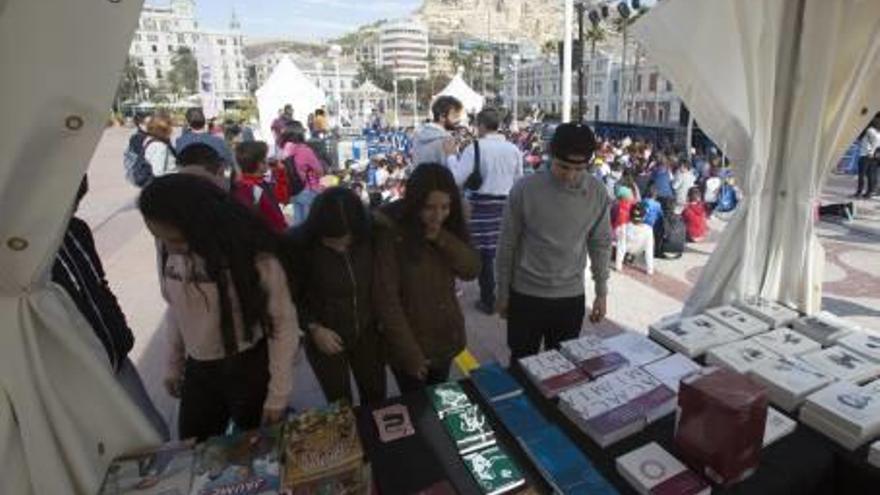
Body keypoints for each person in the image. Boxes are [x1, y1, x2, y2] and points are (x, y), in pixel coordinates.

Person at [139, 174, 299, 441]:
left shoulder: (255, 259)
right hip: (199, 368)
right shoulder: (169, 251)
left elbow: (282, 323)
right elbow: (177, 309)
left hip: (248, 367)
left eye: (177, 241)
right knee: (194, 446)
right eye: (159, 238)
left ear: (203, 227)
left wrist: (278, 394)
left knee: (259, 447)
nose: (169, 248)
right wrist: (173, 363)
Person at [52, 176, 169, 440]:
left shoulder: (77, 230)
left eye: (77, 202)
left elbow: (98, 283)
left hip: (114, 352)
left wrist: (120, 330)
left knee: (153, 432)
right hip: (79, 370)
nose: (72, 209)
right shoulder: (30, 253)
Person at [496, 123, 612, 360]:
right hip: (526, 295)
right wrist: (502, 290)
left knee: (562, 368)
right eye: (563, 166)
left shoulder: (597, 192)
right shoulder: (525, 189)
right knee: (521, 362)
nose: (570, 175)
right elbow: (507, 244)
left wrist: (601, 292)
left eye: (579, 168)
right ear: (551, 156)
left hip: (570, 299)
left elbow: (600, 243)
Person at [374, 164, 480, 392]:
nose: (438, 215)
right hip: (411, 344)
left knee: (439, 398)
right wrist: (410, 353)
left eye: (445, 207)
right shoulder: (390, 233)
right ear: (414, 203)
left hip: (445, 338)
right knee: (417, 410)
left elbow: (471, 270)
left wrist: (441, 238)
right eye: (429, 207)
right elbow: (386, 300)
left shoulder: (449, 226)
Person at [288, 188, 386, 404]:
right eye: (330, 241)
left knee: (376, 394)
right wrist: (312, 327)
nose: (340, 247)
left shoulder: (370, 232)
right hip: (324, 337)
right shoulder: (297, 245)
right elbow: (289, 296)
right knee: (339, 402)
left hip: (367, 332)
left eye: (346, 241)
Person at [444, 107, 524, 314]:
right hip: (506, 206)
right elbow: (519, 181)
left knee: (486, 256)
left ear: (480, 125)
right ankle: (508, 297)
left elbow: (456, 179)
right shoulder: (514, 149)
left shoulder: (475, 148)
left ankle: (488, 301)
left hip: (481, 207)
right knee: (505, 252)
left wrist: (451, 156)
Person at [233, 141, 287, 232]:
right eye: (265, 157)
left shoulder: (245, 183)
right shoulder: (254, 188)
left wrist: (280, 173)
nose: (268, 159)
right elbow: (275, 215)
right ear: (259, 163)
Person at [280, 126, 324, 225]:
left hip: (293, 190)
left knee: (298, 222)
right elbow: (319, 170)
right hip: (308, 189)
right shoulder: (305, 150)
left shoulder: (285, 150)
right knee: (310, 224)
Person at [412, 96, 464, 167]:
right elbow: (454, 170)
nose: (458, 121)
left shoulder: (418, 135)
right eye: (455, 116)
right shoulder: (447, 141)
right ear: (442, 117)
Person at [615, 202, 655, 275]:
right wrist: (650, 270)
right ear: (644, 217)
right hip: (639, 250)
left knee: (619, 241)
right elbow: (649, 250)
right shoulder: (649, 229)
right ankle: (630, 257)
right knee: (649, 245)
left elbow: (621, 247)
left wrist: (618, 266)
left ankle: (626, 258)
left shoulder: (624, 227)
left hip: (627, 248)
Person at [144, 113, 177, 178]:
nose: (173, 129)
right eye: (171, 126)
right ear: (164, 130)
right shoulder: (160, 147)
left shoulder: (149, 139)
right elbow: (158, 172)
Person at [855, 117, 880, 198]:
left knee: (861, 175)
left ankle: (859, 192)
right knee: (870, 175)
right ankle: (868, 193)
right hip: (874, 157)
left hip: (866, 155)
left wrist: (871, 151)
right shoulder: (877, 132)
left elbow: (874, 142)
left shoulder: (870, 130)